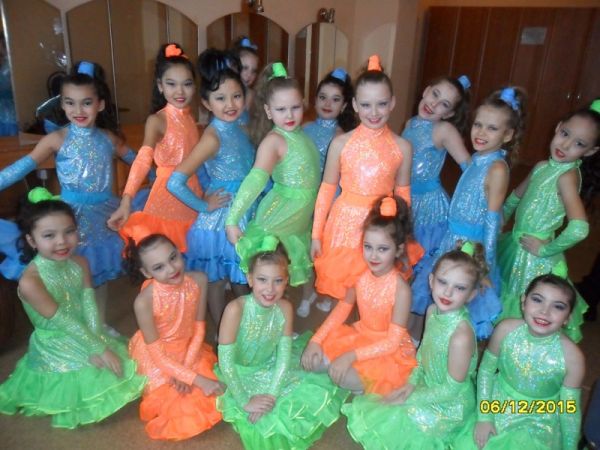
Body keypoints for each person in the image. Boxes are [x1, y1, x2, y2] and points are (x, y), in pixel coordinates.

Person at [0, 60, 138, 319]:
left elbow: (138, 162)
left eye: (86, 103)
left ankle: (98, 323)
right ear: (62, 105)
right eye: (70, 103)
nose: (78, 110)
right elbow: (22, 167)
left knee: (98, 273)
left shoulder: (108, 138)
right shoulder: (56, 139)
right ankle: (73, 324)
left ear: (100, 105)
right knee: (69, 271)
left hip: (105, 215)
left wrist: (165, 177)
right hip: (70, 217)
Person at [0, 189, 145, 428]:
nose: (62, 241)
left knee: (125, 361)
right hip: (56, 340)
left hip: (85, 329)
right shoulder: (31, 281)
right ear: (32, 241)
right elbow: (63, 321)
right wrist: (97, 348)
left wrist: (100, 339)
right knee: (96, 374)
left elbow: (89, 304)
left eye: (69, 231)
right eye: (49, 235)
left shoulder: (80, 262)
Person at [343, 242, 486, 449]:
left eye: (460, 288)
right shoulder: (432, 311)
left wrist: (410, 398)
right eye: (443, 282)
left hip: (450, 404)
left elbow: (451, 390)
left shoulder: (460, 336)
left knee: (400, 419)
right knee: (386, 405)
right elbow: (422, 354)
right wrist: (410, 384)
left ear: (471, 294)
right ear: (431, 280)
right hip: (427, 384)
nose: (447, 292)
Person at [411, 86, 527, 340]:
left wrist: (484, 266)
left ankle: (445, 347)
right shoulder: (478, 159)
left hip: (471, 247)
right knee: (437, 290)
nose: (481, 133)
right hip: (452, 239)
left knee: (457, 299)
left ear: (507, 135)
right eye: (478, 124)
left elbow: (492, 221)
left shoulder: (497, 168)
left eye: (492, 128)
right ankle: (423, 341)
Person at [311, 55, 422, 314]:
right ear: (354, 105)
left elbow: (403, 195)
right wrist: (316, 234)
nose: (374, 112)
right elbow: (327, 190)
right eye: (366, 105)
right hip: (344, 225)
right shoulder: (340, 143)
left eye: (381, 104)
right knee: (343, 293)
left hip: (382, 225)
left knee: (376, 293)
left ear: (392, 103)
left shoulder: (402, 147)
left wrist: (404, 235)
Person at [215, 243, 349, 449]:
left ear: (286, 281)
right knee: (263, 428)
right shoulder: (235, 309)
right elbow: (226, 364)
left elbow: (284, 357)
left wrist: (272, 395)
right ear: (250, 279)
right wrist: (244, 401)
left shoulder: (285, 307)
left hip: (272, 365)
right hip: (240, 372)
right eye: (262, 280)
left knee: (303, 396)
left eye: (278, 281)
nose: (270, 289)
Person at [498, 101, 599, 342]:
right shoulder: (542, 166)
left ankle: (519, 349)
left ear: (590, 151)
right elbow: (515, 198)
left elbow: (579, 228)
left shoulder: (567, 177)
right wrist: (499, 219)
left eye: (579, 144)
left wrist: (546, 249)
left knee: (530, 306)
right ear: (558, 127)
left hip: (535, 258)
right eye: (565, 134)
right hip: (515, 245)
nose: (565, 145)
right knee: (507, 295)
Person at [167, 48, 254, 329]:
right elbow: (175, 182)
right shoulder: (213, 137)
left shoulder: (241, 127)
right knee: (217, 280)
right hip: (221, 220)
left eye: (236, 96)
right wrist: (204, 205)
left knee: (244, 275)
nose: (230, 104)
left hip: (246, 209)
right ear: (206, 103)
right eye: (220, 98)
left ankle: (248, 326)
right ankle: (220, 330)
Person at [455, 272, 585, 450]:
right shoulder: (505, 329)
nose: (544, 311)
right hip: (496, 403)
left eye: (558, 306)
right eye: (537, 300)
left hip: (539, 419)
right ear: (523, 302)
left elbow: (570, 410)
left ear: (567, 318)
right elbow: (486, 371)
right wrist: (485, 417)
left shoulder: (573, 357)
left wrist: (570, 447)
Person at [302, 196, 417, 395]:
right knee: (313, 362)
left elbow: (391, 343)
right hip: (359, 336)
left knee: (342, 377)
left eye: (382, 249)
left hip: (386, 350)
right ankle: (353, 376)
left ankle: (365, 382)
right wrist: (316, 340)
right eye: (368, 246)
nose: (373, 256)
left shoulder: (401, 290)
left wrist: (350, 357)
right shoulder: (360, 274)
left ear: (398, 250)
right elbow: (341, 310)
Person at [108, 43, 215, 251]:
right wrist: (127, 200)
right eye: (171, 84)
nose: (180, 91)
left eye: (187, 84)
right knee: (166, 253)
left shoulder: (190, 118)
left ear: (194, 86)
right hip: (168, 198)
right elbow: (142, 160)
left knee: (190, 254)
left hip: (192, 194)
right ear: (160, 86)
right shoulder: (157, 120)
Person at [225, 62, 321, 289]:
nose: (289, 115)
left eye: (295, 107)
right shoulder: (274, 141)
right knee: (269, 277)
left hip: (297, 218)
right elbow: (255, 181)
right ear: (268, 111)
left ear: (303, 104)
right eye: (281, 109)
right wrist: (232, 220)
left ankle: (281, 309)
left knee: (281, 277)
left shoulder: (301, 133)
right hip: (278, 218)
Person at [127, 234, 223, 440]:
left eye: (173, 257)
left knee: (212, 392)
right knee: (177, 403)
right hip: (158, 356)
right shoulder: (143, 302)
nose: (171, 269)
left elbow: (199, 327)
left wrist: (186, 371)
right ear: (146, 273)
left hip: (189, 347)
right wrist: (194, 378)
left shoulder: (199, 279)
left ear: (179, 251)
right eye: (159, 267)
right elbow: (157, 355)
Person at [296, 67, 357, 317]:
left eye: (335, 99)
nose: (327, 104)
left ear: (344, 106)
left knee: (325, 250)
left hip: (330, 201)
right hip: (305, 197)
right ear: (314, 99)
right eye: (323, 97)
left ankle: (326, 294)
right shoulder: (305, 128)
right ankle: (306, 293)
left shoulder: (342, 136)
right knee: (305, 248)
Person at [403, 75, 471, 259]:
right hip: (406, 198)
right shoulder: (410, 123)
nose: (434, 104)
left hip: (429, 207)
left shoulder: (444, 130)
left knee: (422, 254)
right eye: (435, 94)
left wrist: (472, 200)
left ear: (448, 114)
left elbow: (470, 168)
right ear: (426, 90)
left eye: (444, 104)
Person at [231, 36, 260, 125]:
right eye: (245, 68)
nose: (249, 75)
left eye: (253, 71)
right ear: (233, 67)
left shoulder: (253, 95)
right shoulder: (224, 93)